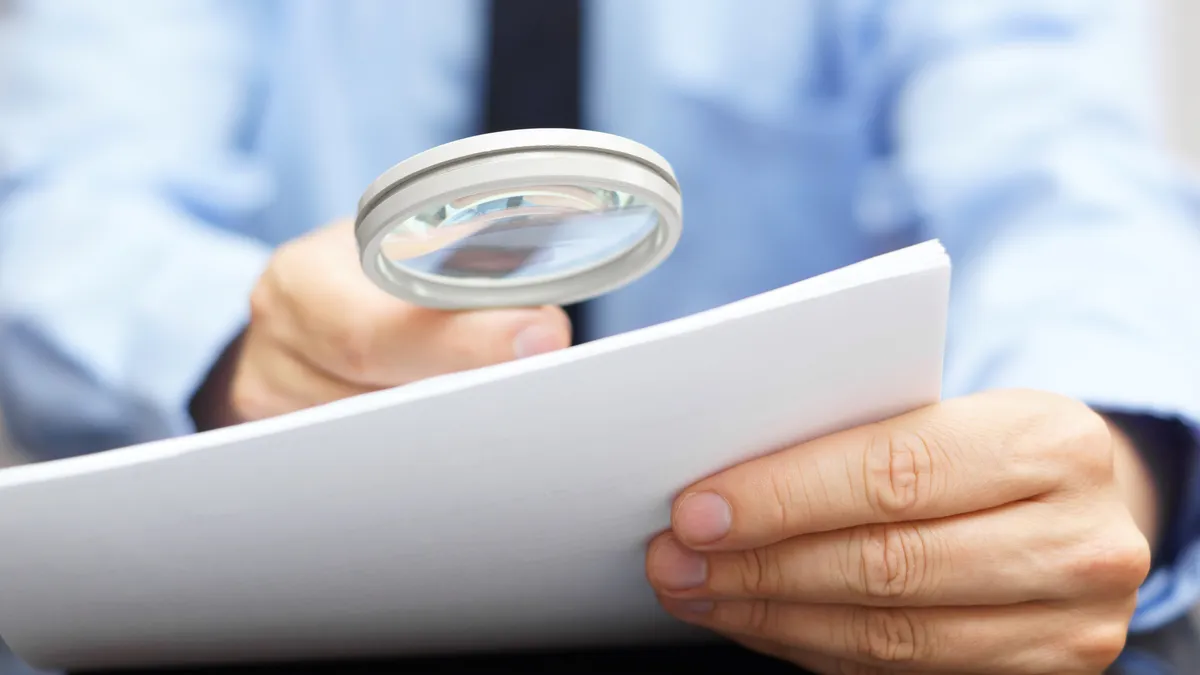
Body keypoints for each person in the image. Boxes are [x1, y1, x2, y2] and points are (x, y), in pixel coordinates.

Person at [0, 1, 1198, 673]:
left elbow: (1067, 181)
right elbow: (58, 201)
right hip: (288, 614)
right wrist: (242, 352)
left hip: (805, 626)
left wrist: (1109, 462)